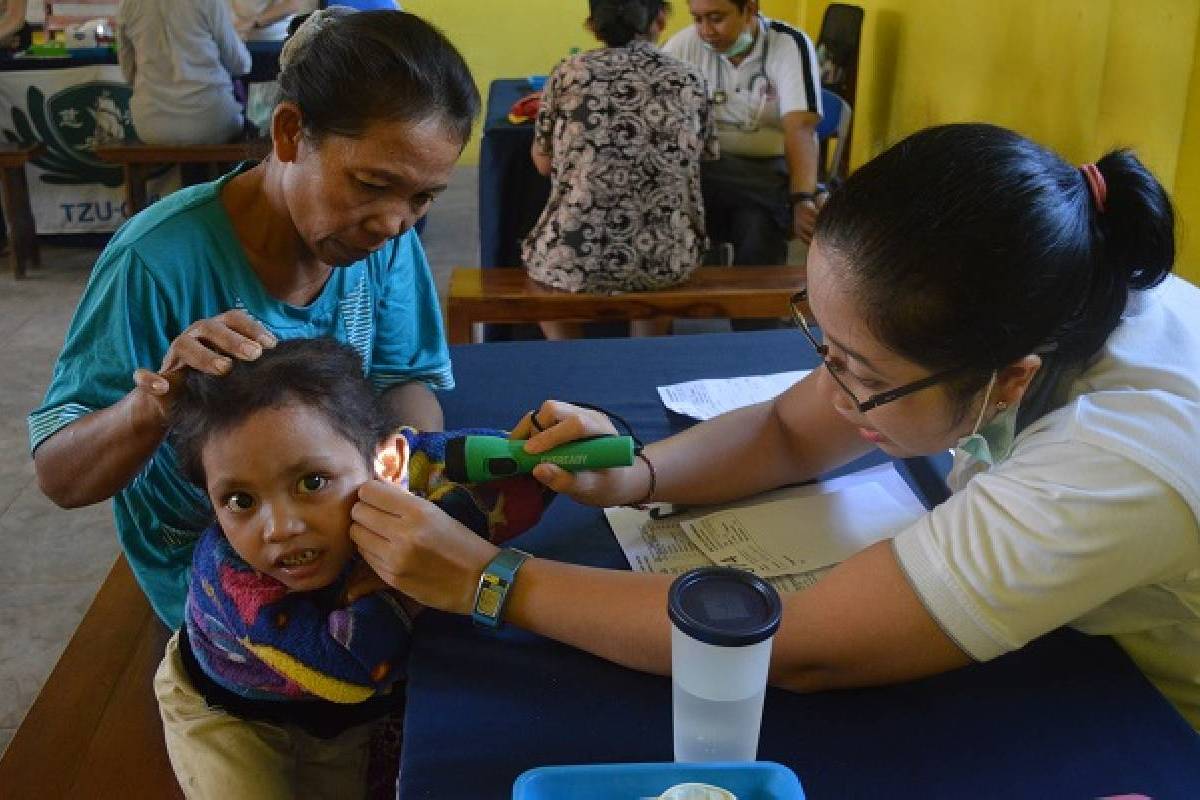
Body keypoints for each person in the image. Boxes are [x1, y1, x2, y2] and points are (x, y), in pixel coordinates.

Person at [348, 123, 1200, 730]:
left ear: (1009, 380)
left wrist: (490, 582)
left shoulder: (1114, 463)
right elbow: (788, 435)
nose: (830, 393)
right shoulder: (1058, 277)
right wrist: (636, 475)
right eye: (825, 344)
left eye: (863, 376)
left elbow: (799, 648)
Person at [29, 9, 480, 631]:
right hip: (211, 579)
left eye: (422, 197)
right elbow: (61, 477)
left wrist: (394, 482)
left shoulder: (386, 240)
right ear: (290, 133)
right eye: (371, 184)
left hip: (340, 543)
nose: (393, 223)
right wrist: (155, 406)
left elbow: (406, 381)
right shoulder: (156, 261)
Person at [156, 338, 548, 798]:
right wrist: (421, 575)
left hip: (341, 714)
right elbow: (347, 671)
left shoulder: (408, 467)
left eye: (312, 482)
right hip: (233, 715)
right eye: (240, 501)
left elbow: (519, 465)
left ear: (387, 461)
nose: (280, 527)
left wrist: (563, 449)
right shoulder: (233, 583)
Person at [521, 0, 717, 340]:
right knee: (660, 258)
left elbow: (543, 162)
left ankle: (568, 355)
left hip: (576, 256)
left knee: (548, 262)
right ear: (659, 20)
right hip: (666, 257)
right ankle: (645, 350)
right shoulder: (689, 77)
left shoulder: (569, 72)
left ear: (593, 25)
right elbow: (705, 155)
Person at [664, 0, 823, 273]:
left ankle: (758, 314)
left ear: (750, 9)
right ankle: (783, 196)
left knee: (759, 222)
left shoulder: (788, 44)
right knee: (693, 169)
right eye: (697, 19)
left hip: (769, 165)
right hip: (709, 173)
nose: (706, 31)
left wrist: (802, 195)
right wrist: (799, 197)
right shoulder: (682, 47)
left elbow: (800, 129)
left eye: (716, 18)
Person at [117, 0, 253, 145]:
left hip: (152, 125)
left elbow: (127, 73)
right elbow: (240, 64)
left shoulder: (128, 4)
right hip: (212, 121)